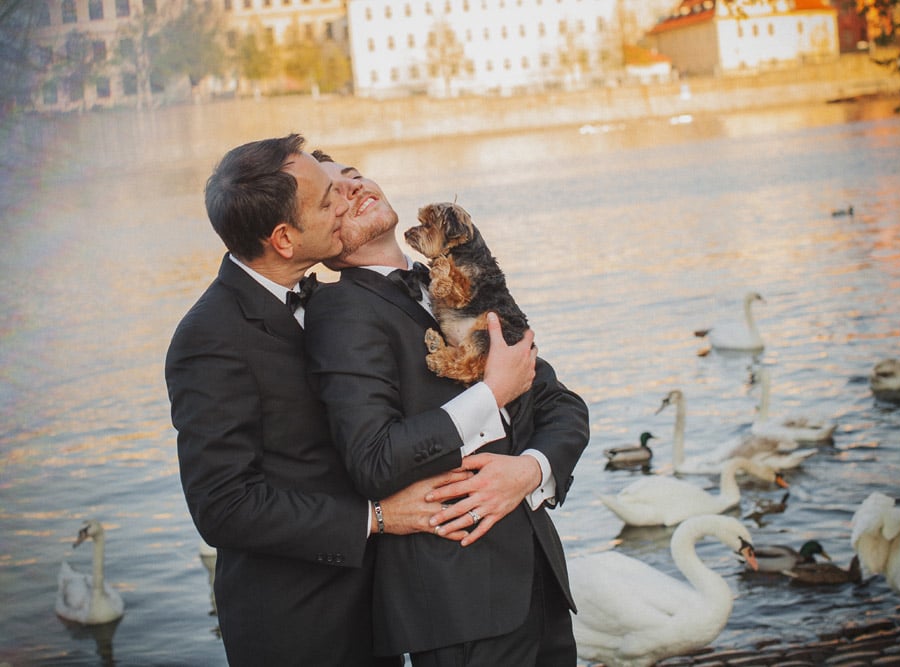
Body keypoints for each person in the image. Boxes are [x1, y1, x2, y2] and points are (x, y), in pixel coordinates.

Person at [164, 134, 520, 666]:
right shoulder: (210, 338)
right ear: (284, 240)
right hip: (302, 626)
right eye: (328, 200)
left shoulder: (339, 301)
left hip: (386, 607)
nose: (345, 200)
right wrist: (377, 517)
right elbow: (224, 506)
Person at [304, 154, 590, 666]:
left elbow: (559, 402)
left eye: (354, 174)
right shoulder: (340, 310)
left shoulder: (459, 279)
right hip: (458, 598)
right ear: (318, 234)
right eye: (334, 194)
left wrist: (531, 469)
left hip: (539, 576)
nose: (354, 187)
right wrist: (490, 394)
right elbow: (373, 459)